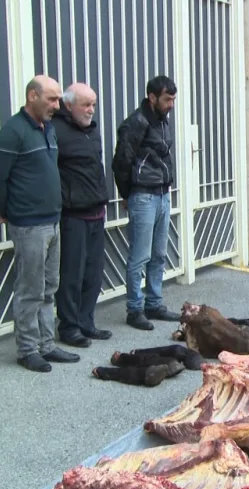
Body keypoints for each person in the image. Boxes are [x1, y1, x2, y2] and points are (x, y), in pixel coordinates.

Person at [0, 75, 81, 372]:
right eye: (51, 99)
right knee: (30, 288)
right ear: (32, 96)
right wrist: (5, 210)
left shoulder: (47, 129)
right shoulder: (13, 132)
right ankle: (28, 350)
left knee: (49, 285)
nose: (57, 105)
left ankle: (46, 344)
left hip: (52, 220)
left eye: (58, 99)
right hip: (29, 225)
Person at [112, 75, 182, 330]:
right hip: (142, 195)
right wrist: (127, 194)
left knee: (159, 254)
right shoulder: (136, 123)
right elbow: (121, 161)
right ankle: (135, 309)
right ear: (152, 97)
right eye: (167, 99)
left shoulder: (163, 121)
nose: (171, 104)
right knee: (139, 256)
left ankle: (154, 304)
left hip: (163, 193)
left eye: (173, 99)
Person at [53, 83, 112, 348]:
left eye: (93, 104)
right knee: (72, 275)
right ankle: (69, 327)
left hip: (96, 212)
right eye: (86, 104)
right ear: (68, 105)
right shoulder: (56, 130)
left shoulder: (93, 131)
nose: (91, 110)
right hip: (72, 215)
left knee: (93, 273)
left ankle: (87, 322)